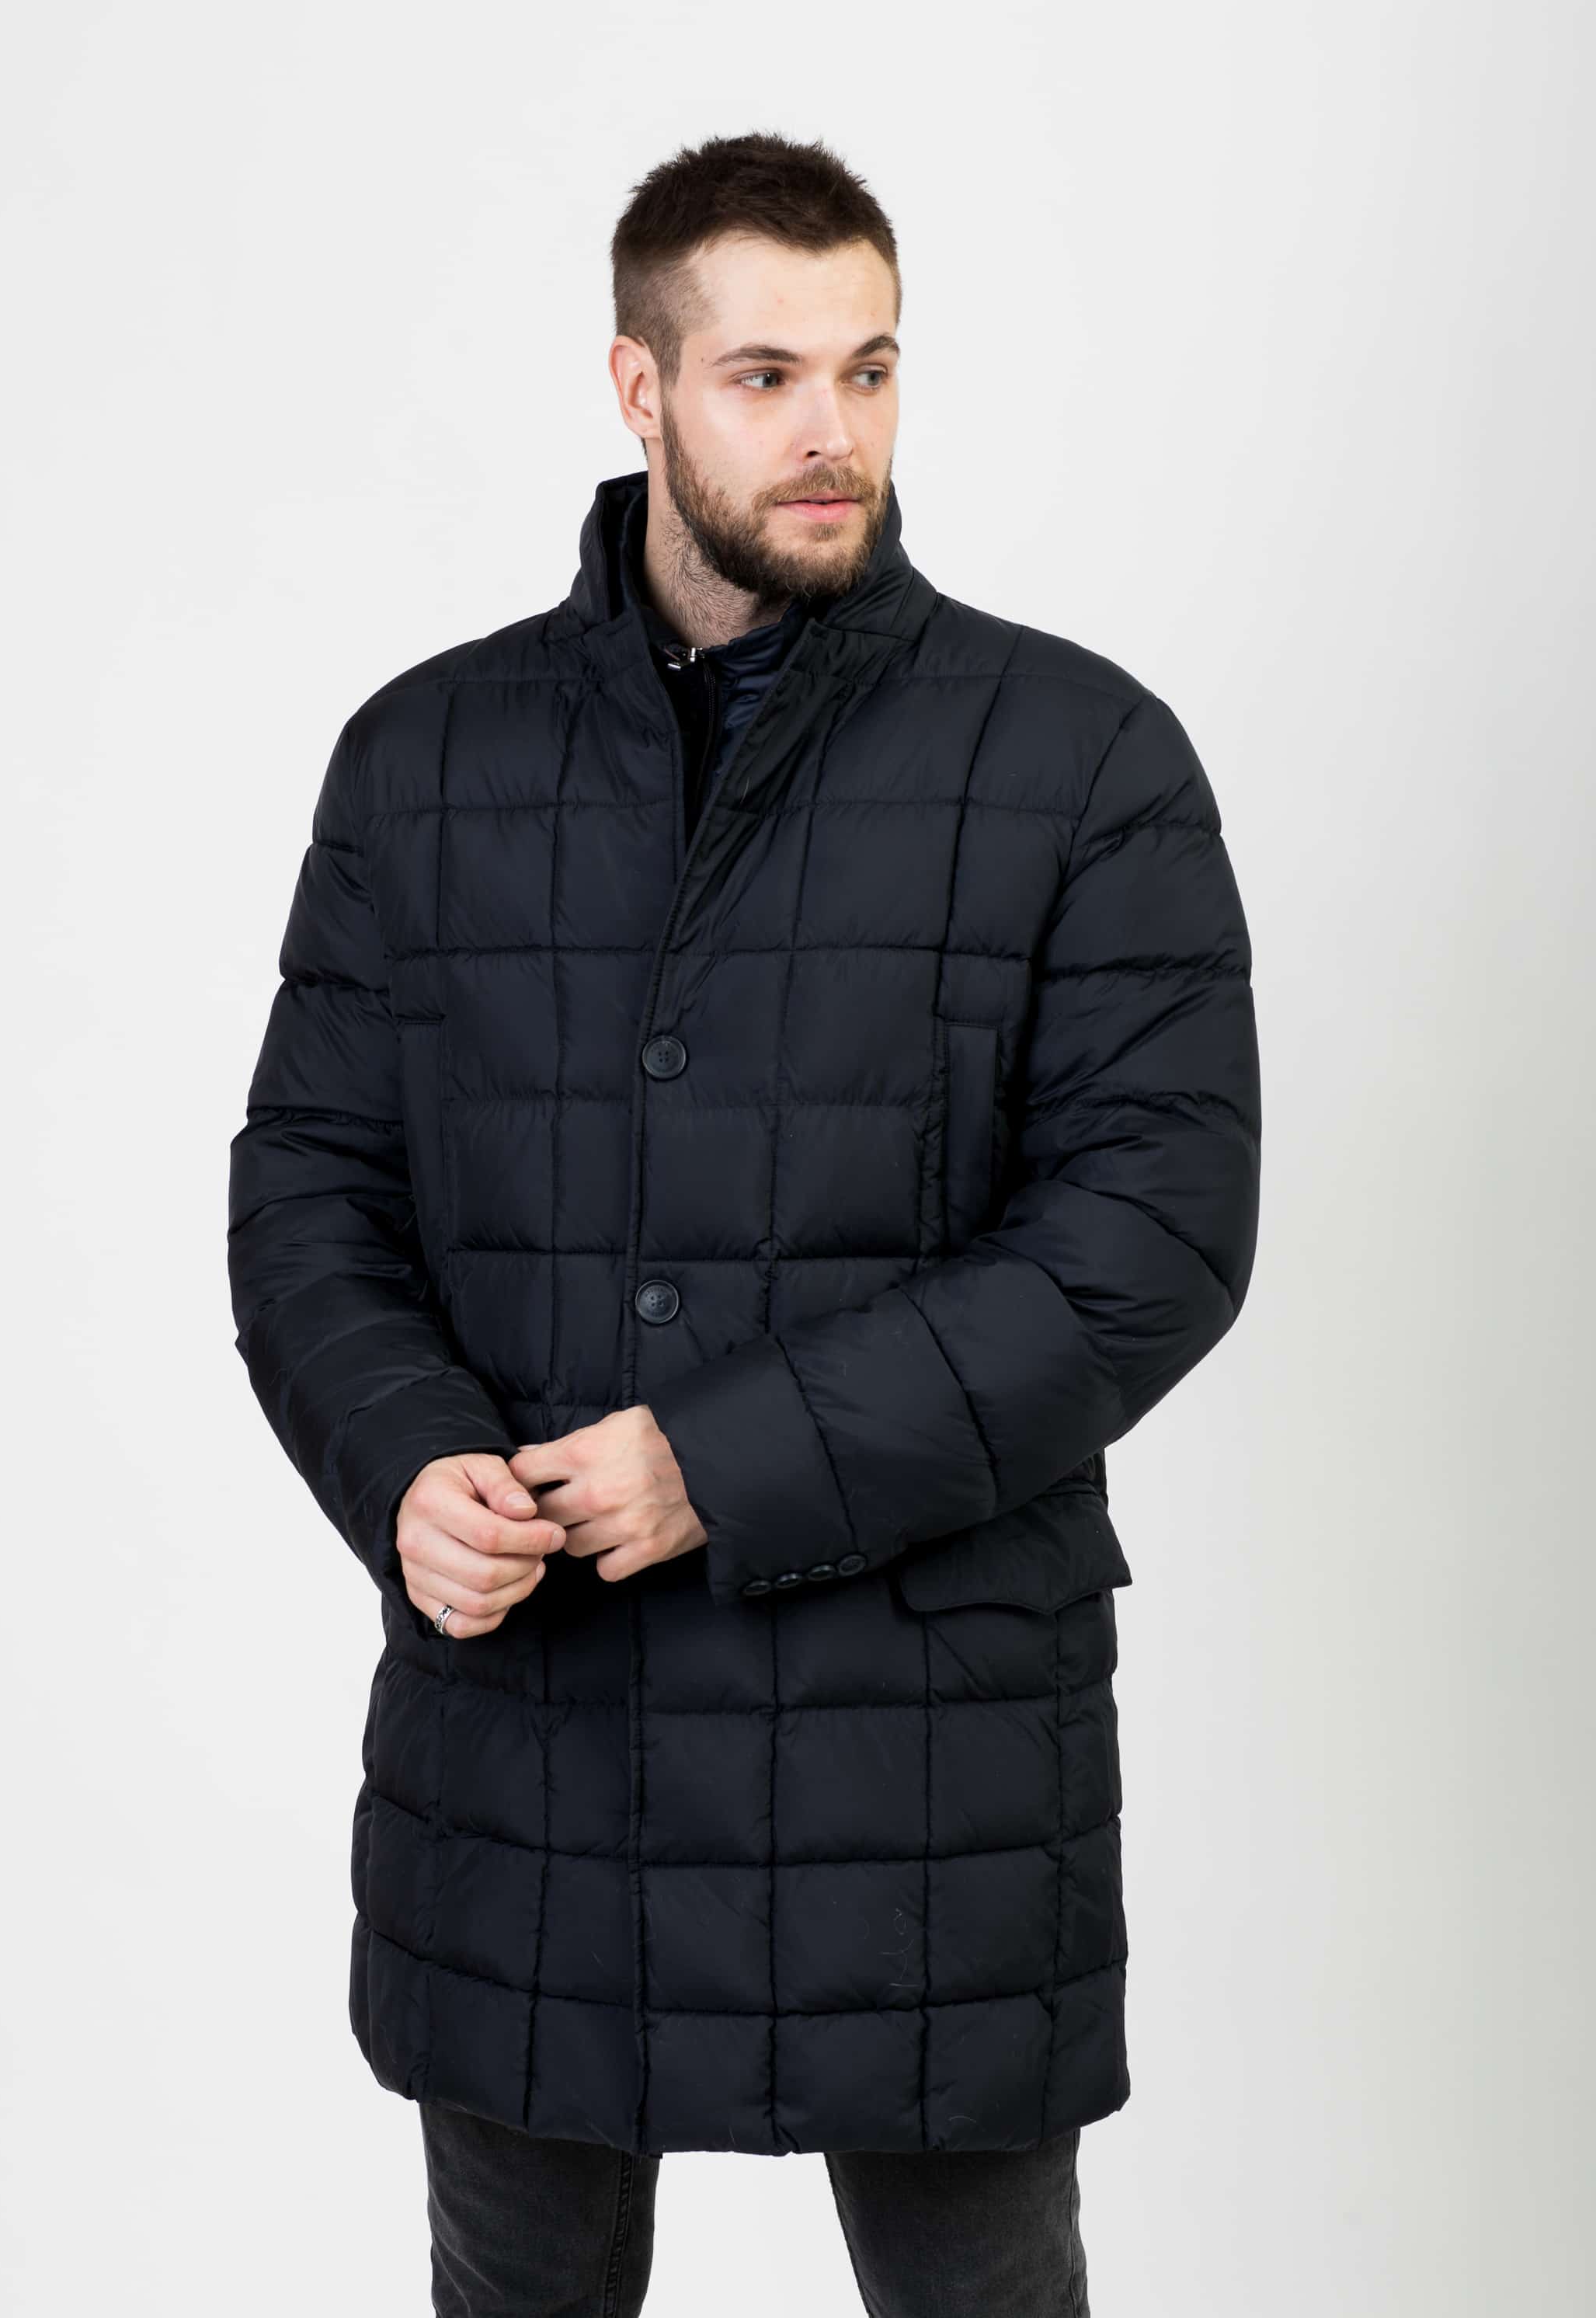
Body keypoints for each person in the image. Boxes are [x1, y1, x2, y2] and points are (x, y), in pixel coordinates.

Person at [228, 129, 1260, 2316]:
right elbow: (311, 1190)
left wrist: (725, 1462)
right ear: (640, 388)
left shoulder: (1082, 758)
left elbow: (1154, 1233)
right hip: (534, 1736)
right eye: (766, 375)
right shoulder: (424, 759)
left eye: (870, 370)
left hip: (930, 1755)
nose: (832, 433)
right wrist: (403, 1462)